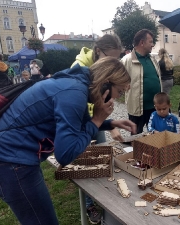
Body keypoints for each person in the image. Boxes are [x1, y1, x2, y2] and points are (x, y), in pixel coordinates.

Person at [0, 57, 136, 225]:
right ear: (106, 84)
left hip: (10, 157)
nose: (117, 98)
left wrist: (109, 123)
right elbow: (65, 154)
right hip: (9, 162)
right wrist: (97, 120)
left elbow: (78, 123)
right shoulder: (73, 93)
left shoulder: (75, 84)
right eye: (119, 91)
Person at [71, 34, 123, 224]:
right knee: (86, 165)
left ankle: (104, 198)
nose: (113, 64)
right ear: (98, 52)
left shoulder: (100, 68)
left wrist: (110, 124)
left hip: (96, 121)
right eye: (111, 59)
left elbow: (101, 101)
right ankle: (90, 204)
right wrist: (101, 121)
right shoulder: (78, 72)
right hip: (85, 123)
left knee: (101, 162)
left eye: (116, 60)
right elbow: (82, 117)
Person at [121, 29, 162, 134]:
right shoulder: (126, 60)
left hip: (155, 108)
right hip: (137, 109)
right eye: (151, 42)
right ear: (142, 42)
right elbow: (116, 80)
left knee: (156, 136)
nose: (153, 45)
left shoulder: (153, 59)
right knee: (135, 137)